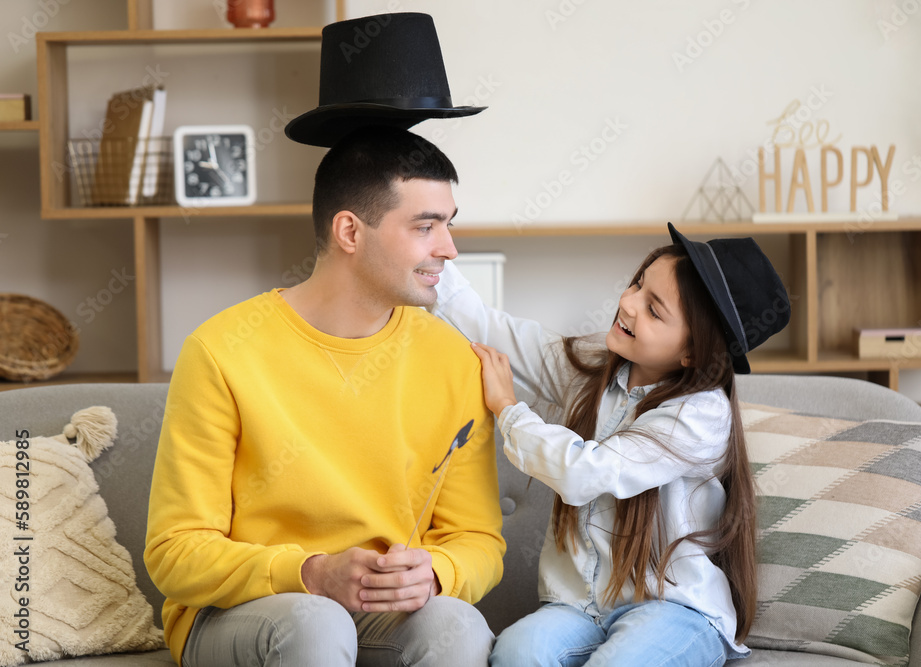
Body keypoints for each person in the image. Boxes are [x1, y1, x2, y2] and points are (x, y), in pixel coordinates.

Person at [144, 14, 505, 667]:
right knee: (313, 624)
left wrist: (436, 572)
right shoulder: (223, 350)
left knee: (458, 625)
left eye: (449, 224)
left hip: (378, 606)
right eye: (426, 226)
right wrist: (309, 571)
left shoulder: (453, 359)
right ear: (349, 231)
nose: (449, 249)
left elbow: (477, 538)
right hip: (242, 612)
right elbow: (175, 552)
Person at [431, 223, 791, 666]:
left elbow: (586, 471)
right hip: (579, 608)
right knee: (516, 654)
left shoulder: (701, 415)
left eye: (654, 310)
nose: (627, 303)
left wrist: (508, 409)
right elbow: (488, 325)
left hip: (675, 610)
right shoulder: (595, 369)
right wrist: (421, 243)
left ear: (693, 353)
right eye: (639, 284)